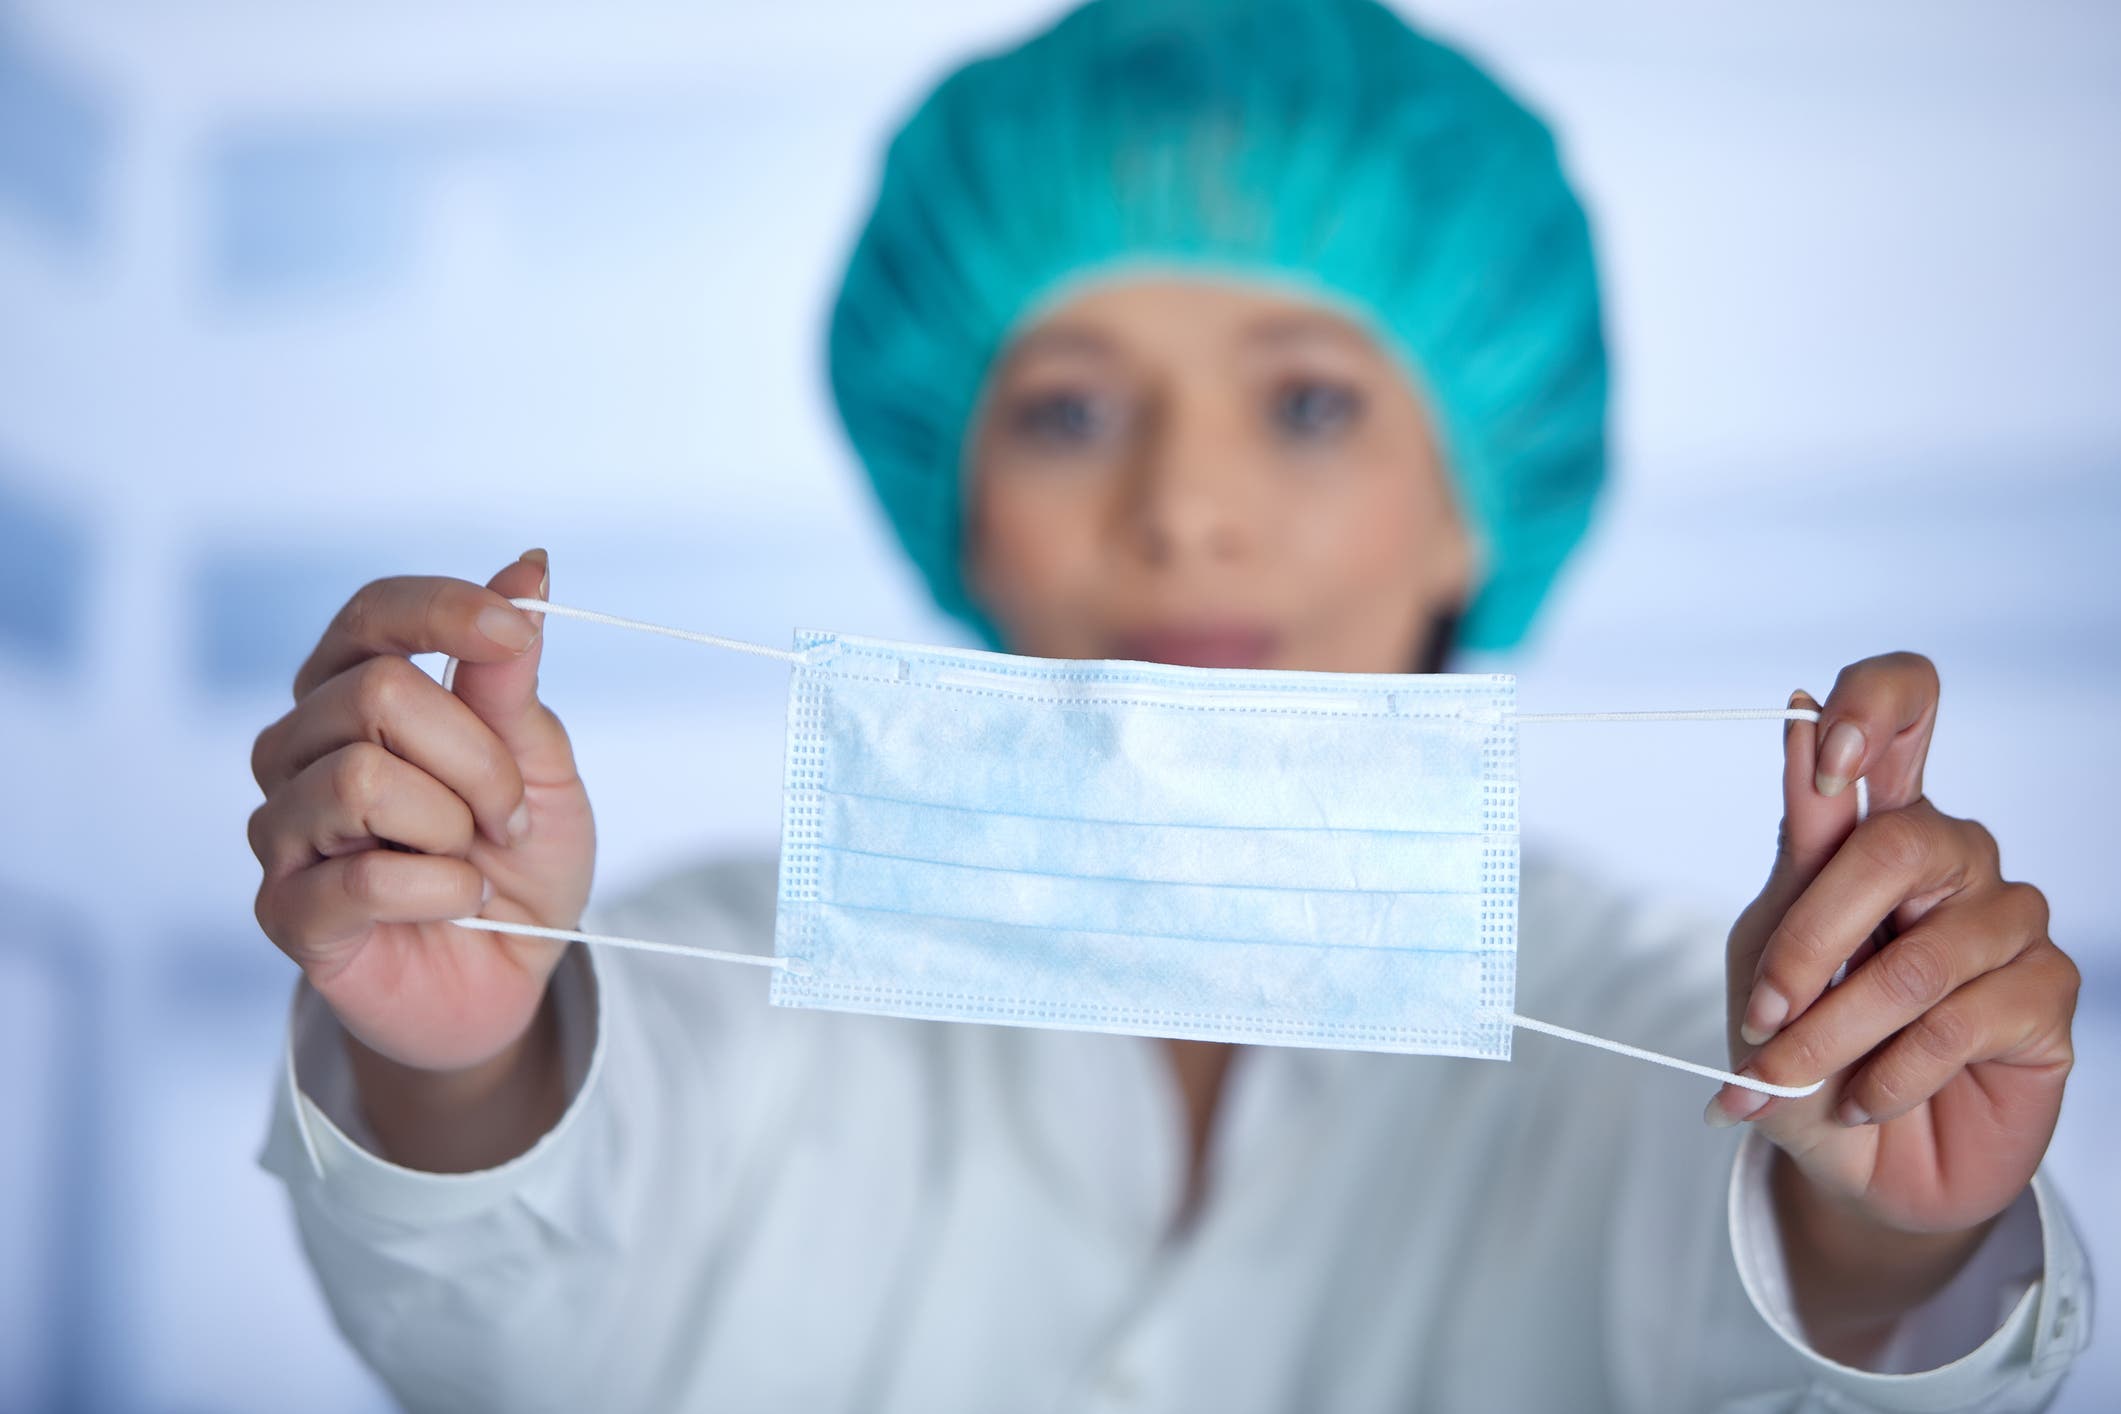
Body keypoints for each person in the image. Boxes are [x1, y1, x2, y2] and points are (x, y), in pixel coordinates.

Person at [250, 2, 2089, 1409]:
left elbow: (1775, 1331)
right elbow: (509, 1295)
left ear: (1479, 488)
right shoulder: (723, 978)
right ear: (955, 491)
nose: (1183, 507)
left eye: (1306, 402)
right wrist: (463, 1067)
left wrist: (1871, 1231)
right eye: (1068, 408)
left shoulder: (1669, 1034)